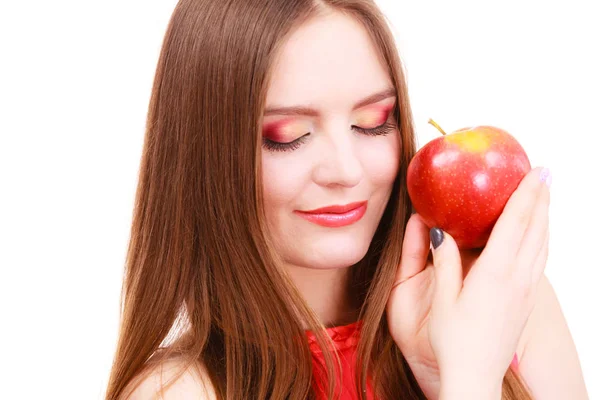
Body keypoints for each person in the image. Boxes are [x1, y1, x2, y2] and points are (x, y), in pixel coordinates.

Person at [105, 0, 588, 399]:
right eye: (287, 135)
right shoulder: (177, 392)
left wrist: (442, 372)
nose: (347, 170)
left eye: (373, 122)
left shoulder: (498, 305)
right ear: (206, 154)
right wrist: (469, 381)